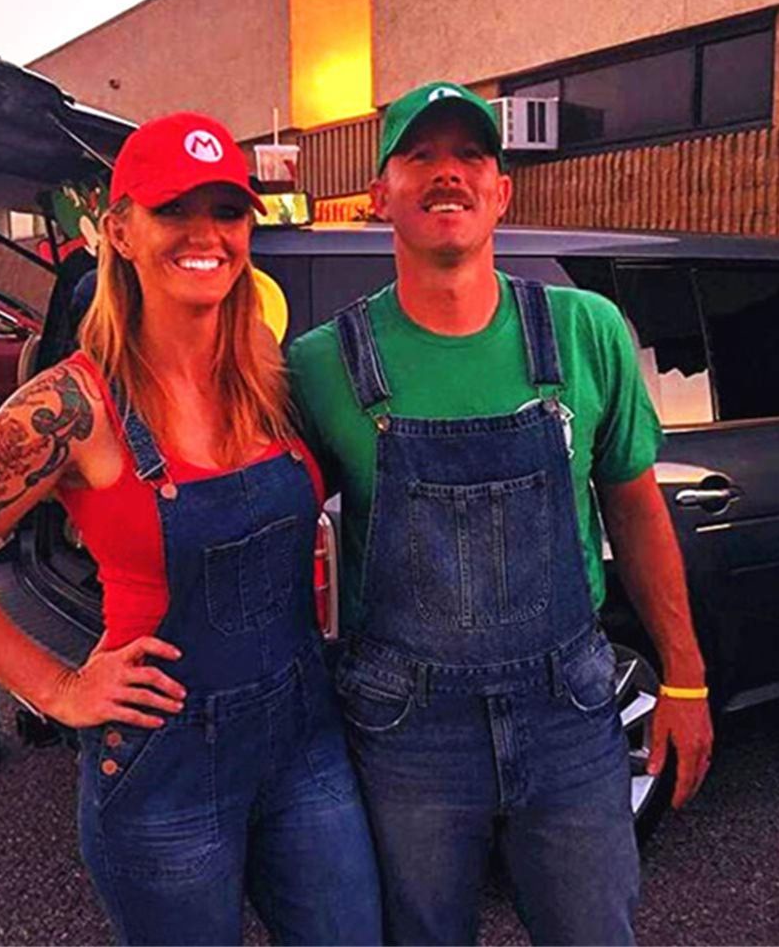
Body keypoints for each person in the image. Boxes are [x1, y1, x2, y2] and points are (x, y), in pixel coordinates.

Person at [0, 111, 382, 947]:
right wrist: (57, 688)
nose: (205, 234)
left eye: (226, 211)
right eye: (173, 209)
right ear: (119, 231)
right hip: (166, 770)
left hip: (307, 743)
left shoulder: (272, 379)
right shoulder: (71, 405)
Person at [287, 82, 714, 946]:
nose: (448, 174)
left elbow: (635, 511)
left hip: (570, 713)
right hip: (405, 730)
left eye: (471, 156)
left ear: (501, 190)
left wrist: (685, 675)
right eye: (420, 156)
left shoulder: (585, 329)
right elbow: (260, 521)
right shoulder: (323, 364)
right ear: (379, 195)